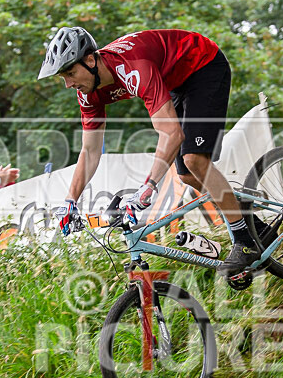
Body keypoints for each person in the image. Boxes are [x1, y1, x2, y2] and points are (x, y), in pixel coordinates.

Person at [38, 27, 265, 278]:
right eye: (63, 77)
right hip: (175, 80)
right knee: (187, 175)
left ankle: (246, 241)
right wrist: (71, 201)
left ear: (90, 60)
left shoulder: (133, 66)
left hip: (203, 64)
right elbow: (90, 151)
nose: (69, 84)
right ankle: (257, 227)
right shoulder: (88, 93)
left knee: (194, 159)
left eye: (71, 73)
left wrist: (149, 187)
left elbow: (172, 134)